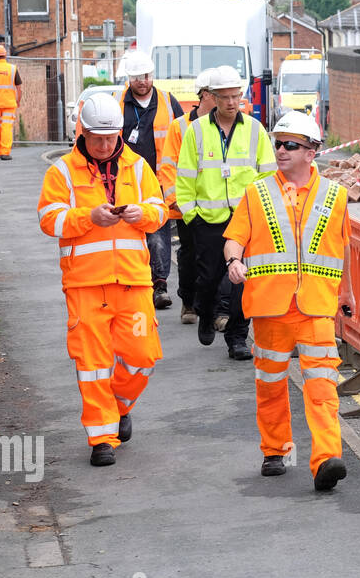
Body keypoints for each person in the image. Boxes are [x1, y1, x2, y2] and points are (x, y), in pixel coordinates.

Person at [224, 111, 353, 491]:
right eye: (277, 143)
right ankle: (275, 449)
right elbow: (235, 236)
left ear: (311, 152)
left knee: (322, 386)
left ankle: (327, 459)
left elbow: (343, 251)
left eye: (289, 145)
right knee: (270, 383)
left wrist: (347, 294)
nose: (280, 150)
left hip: (316, 307)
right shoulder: (256, 192)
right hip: (270, 307)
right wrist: (234, 259)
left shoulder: (336, 196)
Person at [36, 91, 165, 466]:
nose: (106, 145)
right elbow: (49, 219)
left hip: (133, 281)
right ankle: (102, 438)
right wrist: (88, 217)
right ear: (83, 132)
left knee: (143, 356)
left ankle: (118, 406)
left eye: (111, 138)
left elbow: (159, 211)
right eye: (98, 139)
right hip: (85, 285)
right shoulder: (61, 172)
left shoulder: (138, 167)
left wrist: (142, 213)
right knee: (92, 363)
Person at [174, 65, 276, 360]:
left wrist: (257, 211)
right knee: (207, 280)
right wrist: (192, 216)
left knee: (242, 281)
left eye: (236, 96)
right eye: (226, 97)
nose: (232, 103)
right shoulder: (196, 131)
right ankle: (205, 315)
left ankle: (237, 338)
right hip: (207, 220)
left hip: (246, 220)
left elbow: (267, 176)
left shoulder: (256, 130)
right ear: (212, 97)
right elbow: (185, 177)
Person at [118, 50, 184, 311]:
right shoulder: (118, 102)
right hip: (125, 180)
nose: (142, 81)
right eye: (136, 77)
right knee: (128, 233)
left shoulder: (168, 102)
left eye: (145, 76)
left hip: (158, 182)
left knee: (157, 235)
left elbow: (183, 137)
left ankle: (159, 285)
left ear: (152, 75)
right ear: (129, 78)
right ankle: (134, 283)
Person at [158, 71, 217, 325]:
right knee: (191, 255)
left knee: (217, 257)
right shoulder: (180, 126)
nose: (228, 100)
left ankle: (216, 308)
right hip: (187, 207)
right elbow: (169, 166)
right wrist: (177, 200)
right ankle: (189, 302)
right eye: (220, 94)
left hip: (218, 205)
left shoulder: (228, 124)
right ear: (205, 94)